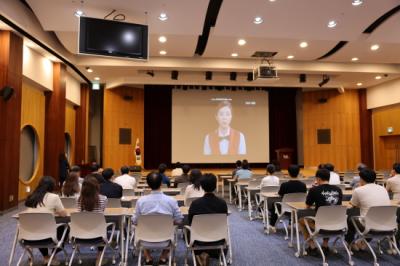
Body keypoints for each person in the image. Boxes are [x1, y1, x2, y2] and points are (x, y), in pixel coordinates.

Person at [133, 172, 183, 265]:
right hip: (166, 240)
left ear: (148, 184)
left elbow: (135, 221)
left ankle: (148, 257)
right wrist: (169, 223)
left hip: (144, 240)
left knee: (139, 227)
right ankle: (163, 257)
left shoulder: (141, 201)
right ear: (161, 184)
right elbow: (179, 220)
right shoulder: (171, 200)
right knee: (172, 228)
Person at [299, 168, 343, 256]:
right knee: (328, 215)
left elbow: (307, 206)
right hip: (337, 223)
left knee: (301, 220)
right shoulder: (338, 190)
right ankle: (325, 245)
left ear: (318, 179)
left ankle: (312, 246)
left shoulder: (314, 190)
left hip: (321, 225)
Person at [25, 176, 67, 265]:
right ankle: (53, 255)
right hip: (48, 234)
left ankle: (46, 257)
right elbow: (64, 214)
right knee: (66, 227)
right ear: (52, 186)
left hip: (30, 234)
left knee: (40, 228)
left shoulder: (31, 196)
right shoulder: (54, 197)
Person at [345, 168, 391, 248]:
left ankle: (350, 244)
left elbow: (352, 204)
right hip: (387, 223)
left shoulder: (358, 190)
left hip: (369, 224)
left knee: (350, 219)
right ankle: (363, 242)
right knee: (370, 216)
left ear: (361, 179)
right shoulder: (383, 188)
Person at [188, 173, 228, 265]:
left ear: (201, 186)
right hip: (218, 239)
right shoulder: (222, 203)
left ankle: (200, 255)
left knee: (188, 230)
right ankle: (211, 254)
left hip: (198, 240)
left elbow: (191, 222)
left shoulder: (195, 203)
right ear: (215, 186)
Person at [77, 176, 108, 265]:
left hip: (80, 232)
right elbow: (102, 212)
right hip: (99, 233)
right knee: (102, 226)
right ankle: (99, 257)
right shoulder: (103, 198)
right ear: (97, 186)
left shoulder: (78, 199)